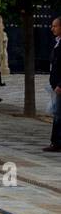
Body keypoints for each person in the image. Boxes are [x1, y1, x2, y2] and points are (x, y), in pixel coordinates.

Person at [45, 17, 61, 153]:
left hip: (60, 87)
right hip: (56, 85)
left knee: (58, 115)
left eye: (55, 26)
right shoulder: (57, 43)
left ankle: (56, 143)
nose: (52, 28)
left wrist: (60, 85)